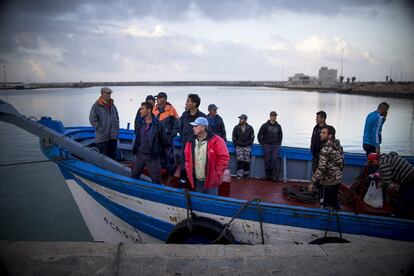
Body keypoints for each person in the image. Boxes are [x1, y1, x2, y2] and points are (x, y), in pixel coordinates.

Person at [184, 117, 229, 195]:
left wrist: (216, 174)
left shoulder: (217, 140)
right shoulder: (190, 141)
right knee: (199, 202)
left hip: (212, 180)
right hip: (197, 179)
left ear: (203, 127)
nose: (193, 128)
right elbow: (187, 157)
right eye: (193, 126)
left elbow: (224, 158)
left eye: (196, 126)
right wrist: (189, 171)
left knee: (212, 203)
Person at [308, 125, 344, 211]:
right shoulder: (338, 146)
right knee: (334, 202)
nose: (320, 134)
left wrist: (312, 182)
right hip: (337, 180)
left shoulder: (326, 149)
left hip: (327, 182)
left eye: (323, 133)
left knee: (324, 205)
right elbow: (342, 163)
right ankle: (338, 212)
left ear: (330, 136)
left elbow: (321, 168)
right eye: (321, 132)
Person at [370, 152, 414, 219]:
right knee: (402, 194)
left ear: (375, 160)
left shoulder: (383, 165)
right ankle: (402, 211)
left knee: (406, 199)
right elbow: (394, 153)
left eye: (372, 162)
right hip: (410, 173)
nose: (372, 164)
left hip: (409, 178)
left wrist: (379, 185)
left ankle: (403, 217)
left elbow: (387, 182)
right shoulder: (384, 156)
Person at [131, 101, 166, 183]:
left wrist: (157, 153)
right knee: (133, 177)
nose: (140, 111)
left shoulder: (158, 125)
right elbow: (138, 137)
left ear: (149, 110)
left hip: (152, 157)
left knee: (156, 181)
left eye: (142, 109)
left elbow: (164, 141)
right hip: (140, 155)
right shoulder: (139, 123)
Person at [178, 94, 207, 184]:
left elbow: (207, 132)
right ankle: (183, 184)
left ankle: (195, 186)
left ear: (194, 104)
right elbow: (180, 127)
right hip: (185, 146)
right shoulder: (185, 115)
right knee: (184, 167)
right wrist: (184, 137)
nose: (186, 103)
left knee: (196, 168)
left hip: (197, 148)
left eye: (188, 101)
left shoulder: (202, 117)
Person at [153, 92, 180, 176]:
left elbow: (177, 124)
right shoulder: (154, 109)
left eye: (159, 98)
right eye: (157, 98)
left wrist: (171, 135)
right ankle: (161, 173)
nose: (157, 100)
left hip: (167, 139)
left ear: (164, 99)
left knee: (170, 157)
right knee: (158, 156)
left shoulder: (171, 109)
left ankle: (171, 174)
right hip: (156, 138)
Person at [89, 87, 120, 159]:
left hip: (113, 137)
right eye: (108, 93)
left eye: (110, 93)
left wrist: (116, 129)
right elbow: (92, 120)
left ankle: (112, 170)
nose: (110, 95)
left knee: (112, 158)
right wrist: (101, 130)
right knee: (103, 159)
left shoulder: (112, 105)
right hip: (102, 139)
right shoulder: (96, 106)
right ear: (102, 93)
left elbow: (117, 117)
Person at [258, 111, 283, 181]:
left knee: (274, 160)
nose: (274, 117)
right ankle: (267, 176)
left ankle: (273, 176)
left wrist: (279, 144)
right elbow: (259, 135)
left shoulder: (278, 126)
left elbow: (280, 136)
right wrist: (263, 144)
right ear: (270, 116)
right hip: (266, 145)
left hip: (275, 146)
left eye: (275, 116)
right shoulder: (265, 125)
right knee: (267, 161)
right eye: (272, 116)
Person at [232, 114, 255, 179]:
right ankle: (239, 175)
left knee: (246, 161)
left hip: (247, 147)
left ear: (245, 120)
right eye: (240, 119)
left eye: (241, 119)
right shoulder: (236, 128)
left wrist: (249, 144)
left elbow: (252, 137)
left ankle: (246, 174)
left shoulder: (250, 128)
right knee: (240, 160)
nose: (240, 120)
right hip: (239, 147)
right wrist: (236, 144)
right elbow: (234, 137)